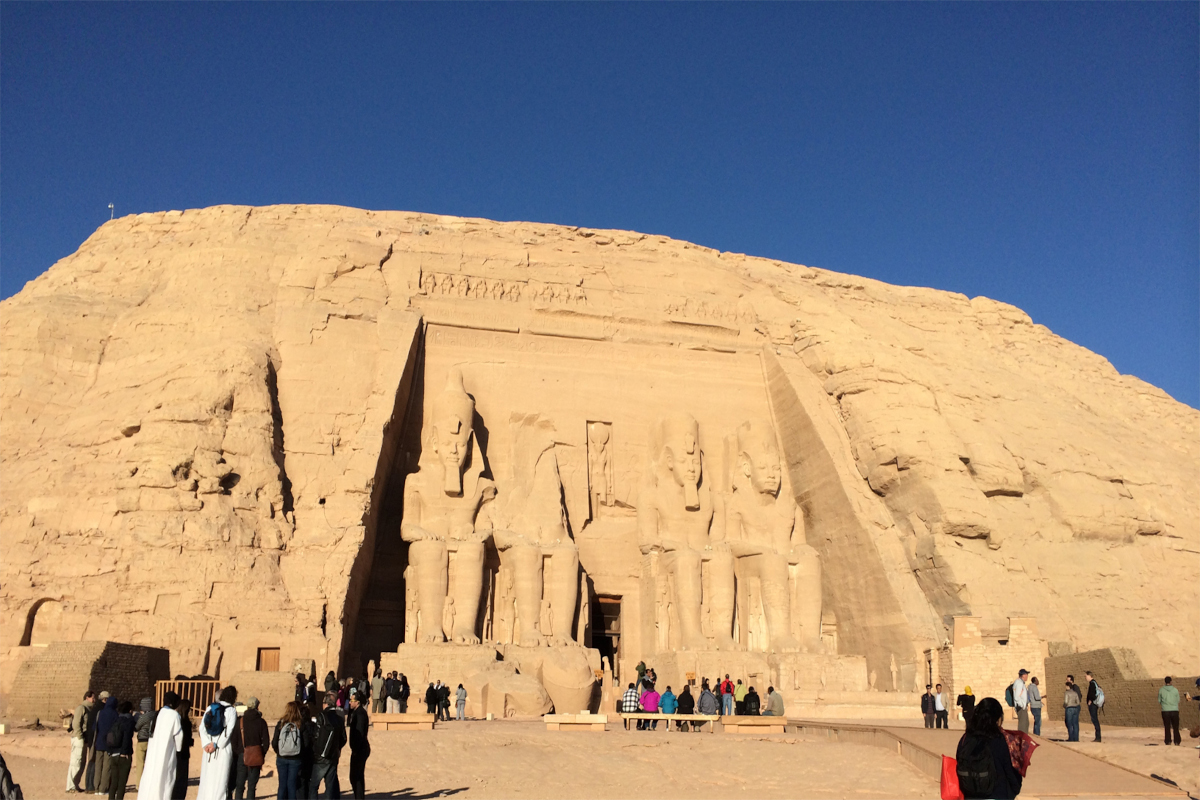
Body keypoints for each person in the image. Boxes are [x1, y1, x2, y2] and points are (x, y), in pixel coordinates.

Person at [954, 697, 1023, 799]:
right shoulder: (999, 740)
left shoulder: (965, 739)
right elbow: (1010, 772)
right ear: (997, 719)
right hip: (997, 794)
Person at [139, 692, 184, 800]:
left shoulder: (157, 714)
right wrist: (178, 750)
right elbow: (179, 736)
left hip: (153, 753)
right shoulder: (174, 715)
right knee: (165, 781)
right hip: (166, 753)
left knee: (151, 779)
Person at [197, 685, 238, 800]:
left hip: (208, 750)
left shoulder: (210, 707)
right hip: (222, 750)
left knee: (206, 778)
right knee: (221, 780)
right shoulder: (231, 710)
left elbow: (202, 728)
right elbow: (228, 731)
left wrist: (206, 744)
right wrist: (217, 745)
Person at [307, 693, 346, 800]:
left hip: (321, 756)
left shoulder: (322, 716)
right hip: (333, 756)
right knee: (330, 787)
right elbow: (344, 738)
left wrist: (317, 750)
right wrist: (336, 748)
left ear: (326, 704)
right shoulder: (339, 719)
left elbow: (316, 735)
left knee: (313, 786)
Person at [232, 696, 270, 800]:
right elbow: (266, 742)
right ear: (257, 707)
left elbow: (233, 740)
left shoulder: (240, 721)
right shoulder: (261, 722)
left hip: (242, 754)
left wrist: (239, 752)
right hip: (256, 756)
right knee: (252, 787)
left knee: (239, 786)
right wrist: (261, 753)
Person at [272, 701, 306, 800]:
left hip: (281, 758)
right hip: (295, 759)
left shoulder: (281, 723)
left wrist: (280, 752)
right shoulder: (300, 724)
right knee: (292, 785)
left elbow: (274, 742)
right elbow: (305, 743)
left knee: (282, 785)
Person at [104, 701, 135, 800]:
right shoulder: (129, 721)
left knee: (114, 782)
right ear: (130, 710)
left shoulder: (116, 720)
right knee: (122, 784)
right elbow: (126, 738)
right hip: (123, 755)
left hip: (113, 754)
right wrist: (124, 752)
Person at [66, 690, 95, 793]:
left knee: (82, 764)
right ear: (87, 697)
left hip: (84, 739)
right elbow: (76, 724)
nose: (94, 700)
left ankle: (75, 784)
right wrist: (79, 737)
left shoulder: (88, 709)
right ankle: (70, 786)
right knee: (76, 762)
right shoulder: (81, 708)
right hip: (79, 739)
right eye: (93, 698)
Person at [95, 694, 120, 795]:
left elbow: (95, 727)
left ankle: (96, 788)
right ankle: (103, 788)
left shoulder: (100, 713)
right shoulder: (115, 714)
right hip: (109, 743)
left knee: (98, 765)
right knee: (107, 766)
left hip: (99, 741)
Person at [347, 692, 370, 799]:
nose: (350, 703)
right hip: (358, 748)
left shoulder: (360, 714)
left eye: (352, 701)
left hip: (360, 749)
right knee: (356, 776)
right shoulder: (357, 712)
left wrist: (356, 749)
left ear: (357, 702)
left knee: (356, 776)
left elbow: (359, 733)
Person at [172, 700, 195, 800]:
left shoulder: (176, 720)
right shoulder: (186, 723)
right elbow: (186, 739)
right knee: (182, 780)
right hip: (184, 754)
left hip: (174, 753)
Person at [131, 697, 154, 787]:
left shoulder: (143, 717)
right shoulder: (155, 715)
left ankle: (139, 785)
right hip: (152, 741)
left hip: (142, 741)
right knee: (150, 763)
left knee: (140, 763)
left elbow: (136, 728)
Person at [1159, 676, 1181, 746]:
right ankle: (1177, 741)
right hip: (1174, 710)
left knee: (1167, 727)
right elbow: (1178, 700)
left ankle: (1168, 741)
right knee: (1175, 727)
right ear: (1171, 681)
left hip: (1165, 710)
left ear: (1165, 682)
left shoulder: (1161, 690)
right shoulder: (1175, 690)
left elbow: (1159, 700)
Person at [1063, 676, 1082, 743]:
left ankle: (1071, 738)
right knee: (1075, 724)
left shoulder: (1067, 693)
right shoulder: (1075, 693)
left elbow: (1065, 702)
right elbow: (1078, 702)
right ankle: (1076, 738)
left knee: (1069, 723)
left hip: (1069, 708)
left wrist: (1065, 706)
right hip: (1075, 708)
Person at [1084, 671, 1102, 742]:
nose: (1085, 677)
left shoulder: (1092, 683)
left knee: (1095, 720)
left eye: (1086, 676)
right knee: (1094, 720)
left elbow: (1092, 693)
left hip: (1093, 705)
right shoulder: (1094, 683)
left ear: (1089, 676)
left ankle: (1098, 737)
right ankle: (1097, 737)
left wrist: (1090, 700)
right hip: (1094, 704)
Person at [1011, 669, 1030, 734]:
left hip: (1022, 707)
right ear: (1023, 675)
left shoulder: (1020, 683)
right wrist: (1022, 705)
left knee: (1025, 724)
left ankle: (1023, 740)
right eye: (1026, 674)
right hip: (1021, 707)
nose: (1027, 676)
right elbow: (1017, 697)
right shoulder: (1019, 683)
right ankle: (1022, 740)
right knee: (1023, 726)